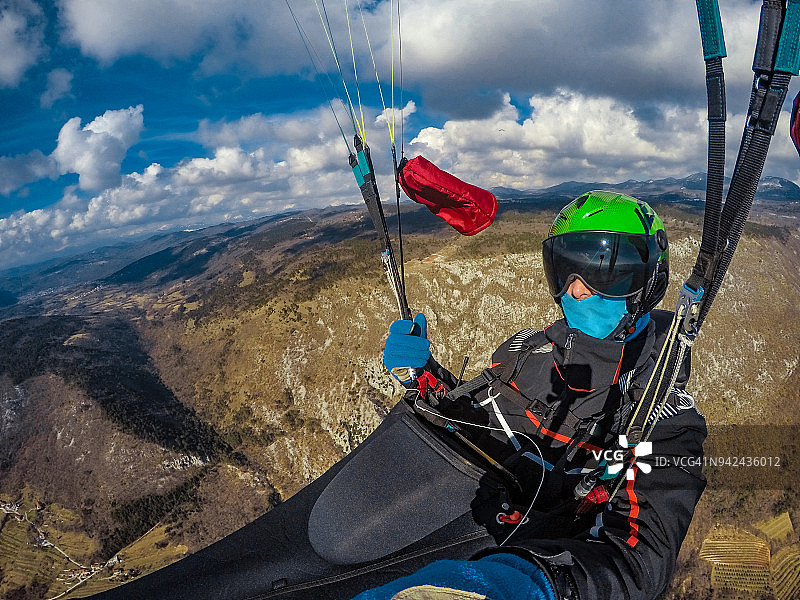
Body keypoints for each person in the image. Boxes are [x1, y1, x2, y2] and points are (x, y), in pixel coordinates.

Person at [365, 191, 707, 600]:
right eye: (566, 270)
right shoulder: (527, 348)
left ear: (647, 282)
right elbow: (480, 421)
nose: (577, 290)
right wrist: (424, 379)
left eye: (606, 271)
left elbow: (640, 560)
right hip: (456, 512)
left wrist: (529, 583)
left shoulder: (662, 415)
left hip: (527, 553)